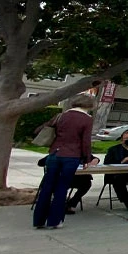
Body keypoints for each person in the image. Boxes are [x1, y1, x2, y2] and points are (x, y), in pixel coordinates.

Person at [33, 93, 94, 229]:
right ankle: (55, 220)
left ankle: (39, 220)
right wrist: (87, 159)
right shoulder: (86, 119)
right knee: (62, 188)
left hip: (54, 153)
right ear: (89, 106)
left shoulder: (61, 115)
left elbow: (40, 129)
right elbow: (85, 141)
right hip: (71, 155)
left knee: (47, 187)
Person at [104, 129, 128, 211]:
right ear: (122, 139)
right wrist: (122, 161)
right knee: (119, 179)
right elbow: (106, 163)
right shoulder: (113, 149)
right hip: (116, 174)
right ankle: (126, 201)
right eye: (127, 138)